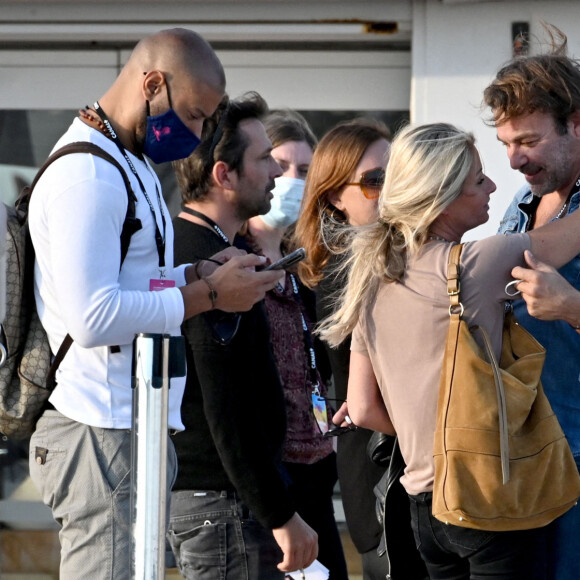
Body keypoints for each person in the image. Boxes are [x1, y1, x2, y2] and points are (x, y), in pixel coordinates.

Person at [26, 29, 282, 580]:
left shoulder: (127, 162)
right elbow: (94, 317)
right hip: (98, 428)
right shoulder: (87, 173)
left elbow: (132, 281)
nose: (195, 135)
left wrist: (197, 273)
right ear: (152, 83)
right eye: (192, 115)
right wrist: (209, 295)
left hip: (128, 425)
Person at [319, 122, 580, 579]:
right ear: (442, 194)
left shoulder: (371, 279)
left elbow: (361, 409)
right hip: (487, 499)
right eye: (479, 180)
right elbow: (569, 236)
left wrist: (431, 436)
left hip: (425, 509)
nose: (495, 186)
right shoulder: (478, 264)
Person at [168, 92, 318, 580]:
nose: (276, 174)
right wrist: (280, 514)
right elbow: (227, 405)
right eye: (263, 159)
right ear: (223, 175)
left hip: (219, 500)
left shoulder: (206, 251)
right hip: (222, 503)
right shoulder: (212, 265)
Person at [483, 26, 580, 580]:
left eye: (529, 141)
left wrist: (571, 307)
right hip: (518, 455)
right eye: (506, 145)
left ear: (575, 123)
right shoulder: (524, 201)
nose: (515, 160)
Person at [295, 118, 409, 580]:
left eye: (396, 174)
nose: (388, 189)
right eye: (373, 181)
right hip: (380, 469)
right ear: (333, 199)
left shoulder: (400, 256)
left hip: (400, 465)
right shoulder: (349, 271)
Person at [244, 109, 349, 579]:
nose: (290, 181)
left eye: (304, 171)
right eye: (281, 165)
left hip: (316, 470)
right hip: (266, 485)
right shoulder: (229, 265)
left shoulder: (311, 268)